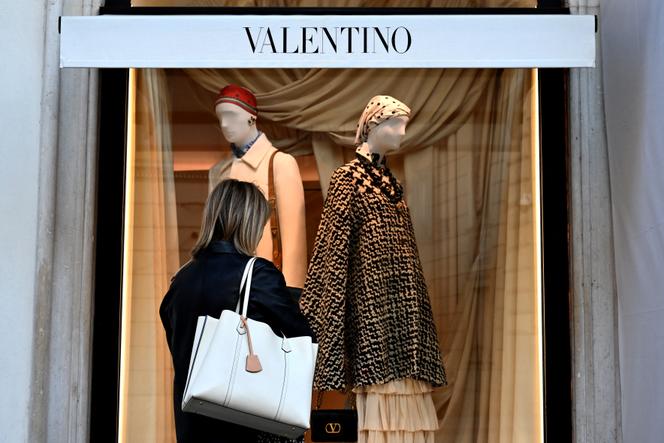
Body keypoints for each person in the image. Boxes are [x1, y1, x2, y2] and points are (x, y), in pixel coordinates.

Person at [301, 96, 446, 443]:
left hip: (406, 322)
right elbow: (332, 256)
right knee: (377, 409)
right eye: (396, 125)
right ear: (374, 125)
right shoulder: (347, 179)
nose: (402, 133)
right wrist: (328, 329)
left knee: (407, 411)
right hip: (372, 319)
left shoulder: (392, 184)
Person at [160, 179, 314, 443]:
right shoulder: (258, 274)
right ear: (249, 224)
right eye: (261, 225)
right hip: (246, 424)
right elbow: (301, 340)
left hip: (191, 426)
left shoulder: (180, 280)